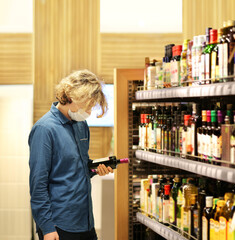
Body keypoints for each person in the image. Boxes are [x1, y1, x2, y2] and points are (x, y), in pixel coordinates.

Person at [29, 69, 113, 240]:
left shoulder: (81, 125)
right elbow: (38, 184)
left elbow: (76, 169)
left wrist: (96, 169)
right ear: (72, 97)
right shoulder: (45, 129)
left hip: (85, 221)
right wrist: (47, 228)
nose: (89, 112)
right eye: (87, 105)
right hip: (59, 225)